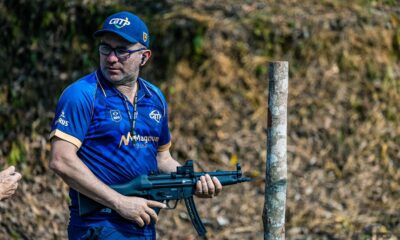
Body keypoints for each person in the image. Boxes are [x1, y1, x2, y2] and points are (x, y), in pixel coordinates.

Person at [49, 11, 222, 239]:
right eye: (105, 48)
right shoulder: (82, 94)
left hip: (143, 225)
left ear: (144, 56)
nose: (111, 58)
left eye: (122, 50)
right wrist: (120, 202)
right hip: (98, 226)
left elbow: (162, 158)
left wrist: (194, 181)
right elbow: (61, 160)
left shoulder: (155, 97)